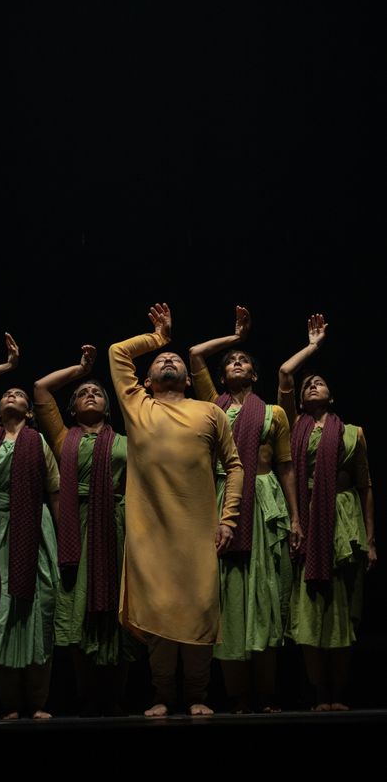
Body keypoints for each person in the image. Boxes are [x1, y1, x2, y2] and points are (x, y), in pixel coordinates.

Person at [108, 302, 243, 717]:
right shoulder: (137, 405)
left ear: (188, 379)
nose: (168, 360)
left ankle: (198, 693)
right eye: (160, 360)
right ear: (146, 380)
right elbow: (117, 352)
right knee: (159, 615)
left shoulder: (210, 411)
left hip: (198, 532)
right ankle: (163, 695)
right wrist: (158, 338)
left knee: (199, 610)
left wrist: (228, 519)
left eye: (175, 360)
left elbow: (235, 467)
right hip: (150, 534)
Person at [189, 305, 300, 713]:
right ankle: (237, 695)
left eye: (244, 360)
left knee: (264, 593)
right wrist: (236, 338)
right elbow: (195, 355)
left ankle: (266, 693)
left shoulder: (273, 413)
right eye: (231, 361)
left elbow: (286, 466)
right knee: (230, 596)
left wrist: (296, 518)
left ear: (254, 375)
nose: (237, 363)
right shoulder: (211, 406)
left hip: (264, 501)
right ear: (221, 378)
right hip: (222, 501)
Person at [278, 313, 377, 711]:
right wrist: (313, 346)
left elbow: (366, 486)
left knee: (342, 610)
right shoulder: (291, 425)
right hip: (307, 521)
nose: (313, 385)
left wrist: (371, 540)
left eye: (319, 382)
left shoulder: (353, 433)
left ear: (331, 397)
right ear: (300, 400)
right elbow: (286, 372)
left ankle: (340, 693)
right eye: (308, 385)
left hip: (344, 524)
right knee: (309, 612)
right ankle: (319, 693)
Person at [0, 332, 60, 720]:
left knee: (39, 610)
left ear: (30, 412)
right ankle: (11, 705)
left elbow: (54, 492)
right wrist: (7, 366)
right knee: (1, 614)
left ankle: (38, 702)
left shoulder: (38, 443)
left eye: (19, 394)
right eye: (6, 394)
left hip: (35, 532)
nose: (12, 396)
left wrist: (64, 542)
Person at [34, 345, 133, 716]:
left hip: (118, 525)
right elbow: (41, 389)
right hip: (76, 529)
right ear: (72, 410)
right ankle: (87, 697)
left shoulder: (127, 441)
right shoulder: (64, 439)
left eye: (97, 393)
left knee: (116, 610)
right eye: (82, 394)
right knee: (78, 609)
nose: (90, 394)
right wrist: (80, 369)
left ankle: (116, 697)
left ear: (108, 409)